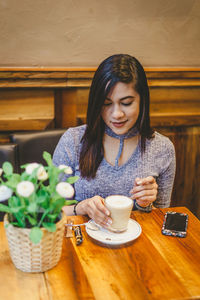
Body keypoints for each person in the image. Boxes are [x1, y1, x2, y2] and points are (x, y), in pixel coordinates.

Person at [53, 54, 176, 228]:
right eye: (106, 103)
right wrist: (82, 207)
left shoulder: (162, 148)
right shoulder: (72, 141)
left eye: (126, 103)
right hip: (82, 246)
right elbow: (50, 211)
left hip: (137, 248)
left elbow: (162, 217)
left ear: (142, 100)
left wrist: (145, 204)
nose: (116, 114)